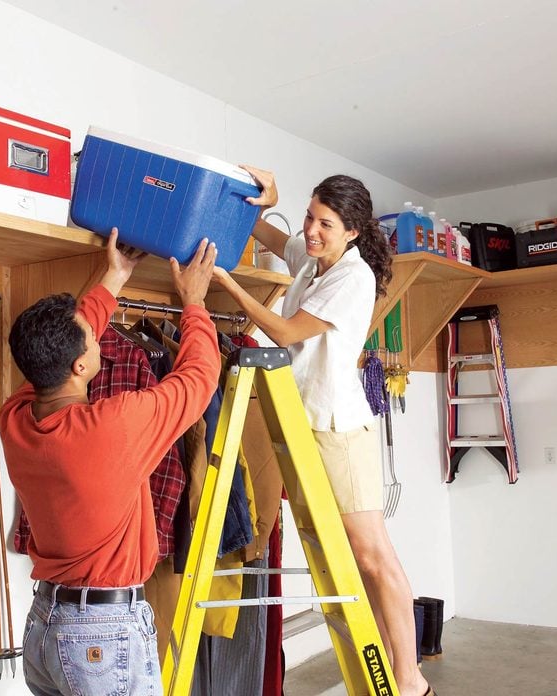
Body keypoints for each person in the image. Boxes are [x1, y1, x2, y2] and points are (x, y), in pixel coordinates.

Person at [212, 167, 435, 696]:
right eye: (310, 217)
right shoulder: (313, 262)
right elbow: (263, 235)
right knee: (353, 560)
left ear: (352, 230)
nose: (311, 231)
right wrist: (263, 205)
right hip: (304, 426)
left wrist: (228, 285)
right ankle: (384, 655)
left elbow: (286, 331)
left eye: (324, 224)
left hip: (339, 432)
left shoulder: (351, 277)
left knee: (372, 556)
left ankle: (411, 677)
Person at [0, 228, 221, 696]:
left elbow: (70, 341)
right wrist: (194, 305)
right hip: (101, 633)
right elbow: (199, 377)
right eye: (93, 341)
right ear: (80, 367)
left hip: (46, 628)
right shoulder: (113, 427)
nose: (101, 341)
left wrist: (114, 277)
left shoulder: (16, 417)